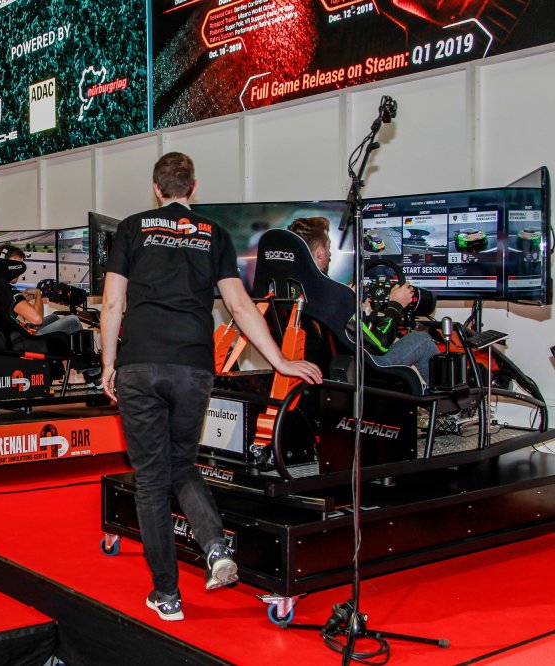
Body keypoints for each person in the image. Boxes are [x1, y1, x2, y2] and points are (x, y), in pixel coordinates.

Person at [99, 153, 323, 622]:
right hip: (193, 368)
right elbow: (240, 306)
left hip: (141, 366)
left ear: (156, 188)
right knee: (181, 466)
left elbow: (113, 302)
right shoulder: (214, 233)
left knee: (151, 481)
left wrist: (108, 364)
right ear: (193, 188)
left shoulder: (132, 228)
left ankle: (167, 595)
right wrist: (280, 360)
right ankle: (216, 547)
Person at [287, 217, 439, 381]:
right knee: (422, 340)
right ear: (320, 253)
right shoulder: (336, 295)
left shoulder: (289, 292)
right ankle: (450, 397)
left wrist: (354, 306)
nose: (330, 254)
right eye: (328, 247)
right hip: (363, 373)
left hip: (320, 373)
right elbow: (380, 345)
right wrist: (396, 305)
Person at [0, 244, 84, 336]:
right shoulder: (9, 291)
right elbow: (38, 319)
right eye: (16, 266)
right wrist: (38, 294)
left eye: (21, 267)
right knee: (73, 321)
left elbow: (6, 312)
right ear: (2, 265)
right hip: (21, 341)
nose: (19, 271)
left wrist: (23, 301)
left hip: (8, 335)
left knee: (54, 317)